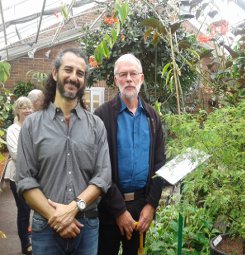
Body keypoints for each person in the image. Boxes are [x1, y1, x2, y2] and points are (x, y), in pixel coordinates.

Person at [15, 48, 112, 255]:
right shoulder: (32, 125)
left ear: (84, 80)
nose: (73, 77)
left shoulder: (96, 125)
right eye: (68, 70)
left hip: (86, 227)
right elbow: (24, 180)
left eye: (80, 73)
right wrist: (56, 217)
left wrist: (73, 208)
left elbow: (103, 176)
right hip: (46, 227)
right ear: (55, 73)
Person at [94, 53, 166, 255]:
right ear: (116, 80)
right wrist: (119, 211)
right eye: (123, 74)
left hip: (141, 207)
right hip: (109, 208)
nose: (128, 79)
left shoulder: (152, 117)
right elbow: (99, 167)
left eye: (133, 73)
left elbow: (160, 164)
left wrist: (151, 205)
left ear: (141, 78)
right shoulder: (102, 116)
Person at [5, 96, 33, 255]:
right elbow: (16, 154)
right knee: (23, 210)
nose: (27, 110)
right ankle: (25, 244)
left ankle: (32, 237)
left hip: (34, 176)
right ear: (18, 110)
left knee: (35, 208)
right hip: (18, 177)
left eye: (29, 107)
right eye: (23, 108)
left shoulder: (33, 127)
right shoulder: (12, 130)